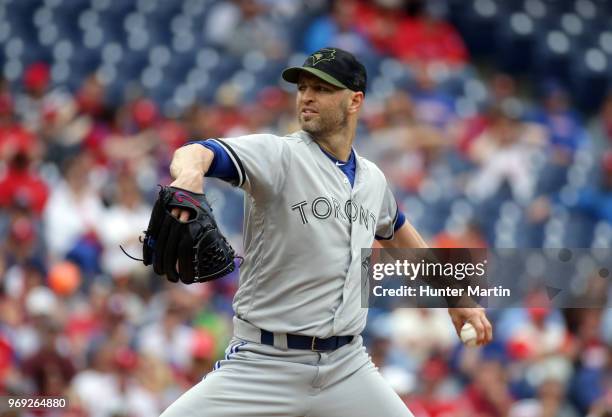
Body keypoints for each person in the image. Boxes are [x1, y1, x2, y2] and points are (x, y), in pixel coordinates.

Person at [161, 47, 493, 417]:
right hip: (264, 364)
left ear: (354, 100)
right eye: (303, 87)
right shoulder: (279, 156)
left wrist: (455, 298)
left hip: (346, 367)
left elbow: (400, 236)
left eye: (321, 88)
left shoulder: (372, 179)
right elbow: (198, 152)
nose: (307, 96)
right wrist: (190, 174)